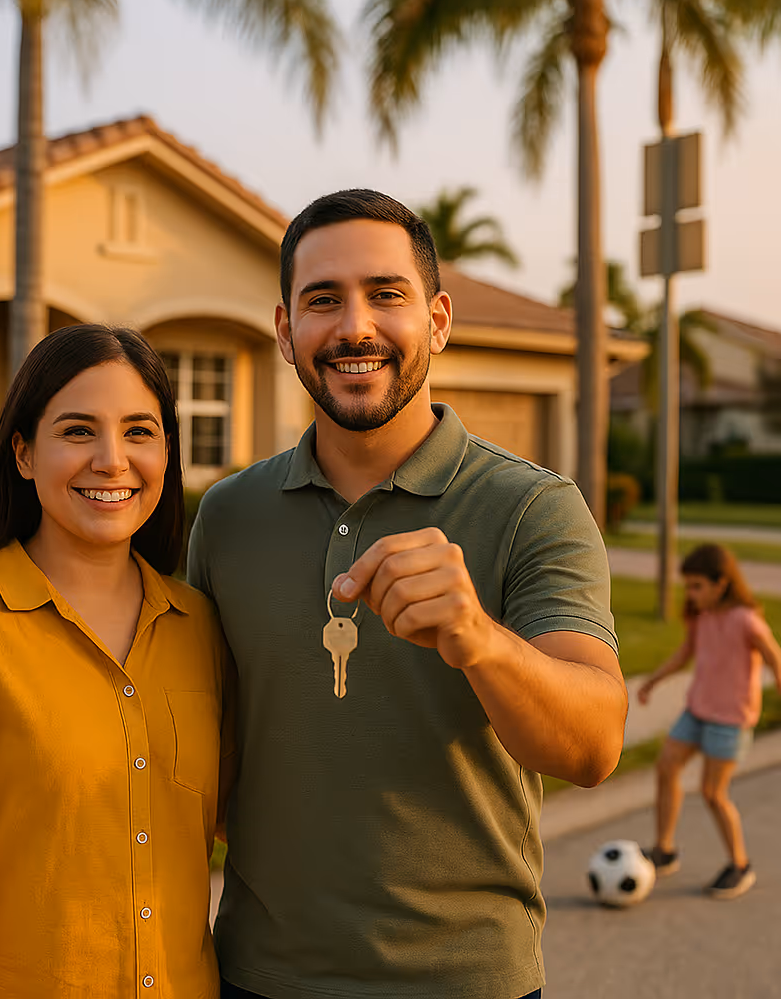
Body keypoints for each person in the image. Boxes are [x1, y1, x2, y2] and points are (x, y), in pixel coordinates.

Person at [188, 188, 627, 999]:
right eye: (323, 300)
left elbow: (594, 745)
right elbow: (203, 747)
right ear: (285, 332)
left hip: (466, 981)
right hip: (257, 976)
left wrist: (479, 638)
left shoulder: (535, 506)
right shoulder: (226, 516)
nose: (355, 326)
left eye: (386, 295)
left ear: (437, 319)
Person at [0, 324, 233, 998]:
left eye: (139, 431)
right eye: (77, 431)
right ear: (24, 453)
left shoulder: (201, 627)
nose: (111, 459)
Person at [639, 543, 781, 900]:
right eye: (688, 586)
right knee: (666, 767)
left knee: (712, 792)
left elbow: (774, 658)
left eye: (697, 586)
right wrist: (653, 681)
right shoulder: (701, 616)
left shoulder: (745, 619)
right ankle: (664, 850)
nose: (690, 594)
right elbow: (685, 654)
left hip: (731, 719)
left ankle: (740, 865)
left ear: (722, 583)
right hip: (697, 710)